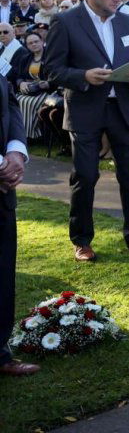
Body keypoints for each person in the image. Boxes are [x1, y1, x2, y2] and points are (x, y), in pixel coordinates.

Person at [44, 0, 129, 262]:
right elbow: (51, 69)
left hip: (122, 109)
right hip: (85, 108)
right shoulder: (66, 21)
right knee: (84, 175)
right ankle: (82, 240)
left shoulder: (126, 22)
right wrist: (83, 75)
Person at [0, 65, 37, 377]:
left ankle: (0, 352)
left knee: (2, 271)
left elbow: (9, 103)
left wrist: (15, 152)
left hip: (2, 189)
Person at [14, 32, 54, 140]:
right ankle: (18, 134)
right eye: (30, 43)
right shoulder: (25, 58)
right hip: (29, 90)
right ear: (27, 46)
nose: (34, 44)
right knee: (16, 99)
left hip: (46, 91)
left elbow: (57, 77)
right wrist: (21, 83)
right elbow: (18, 76)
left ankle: (30, 136)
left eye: (36, 41)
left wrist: (48, 84)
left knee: (29, 102)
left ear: (42, 41)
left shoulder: (51, 57)